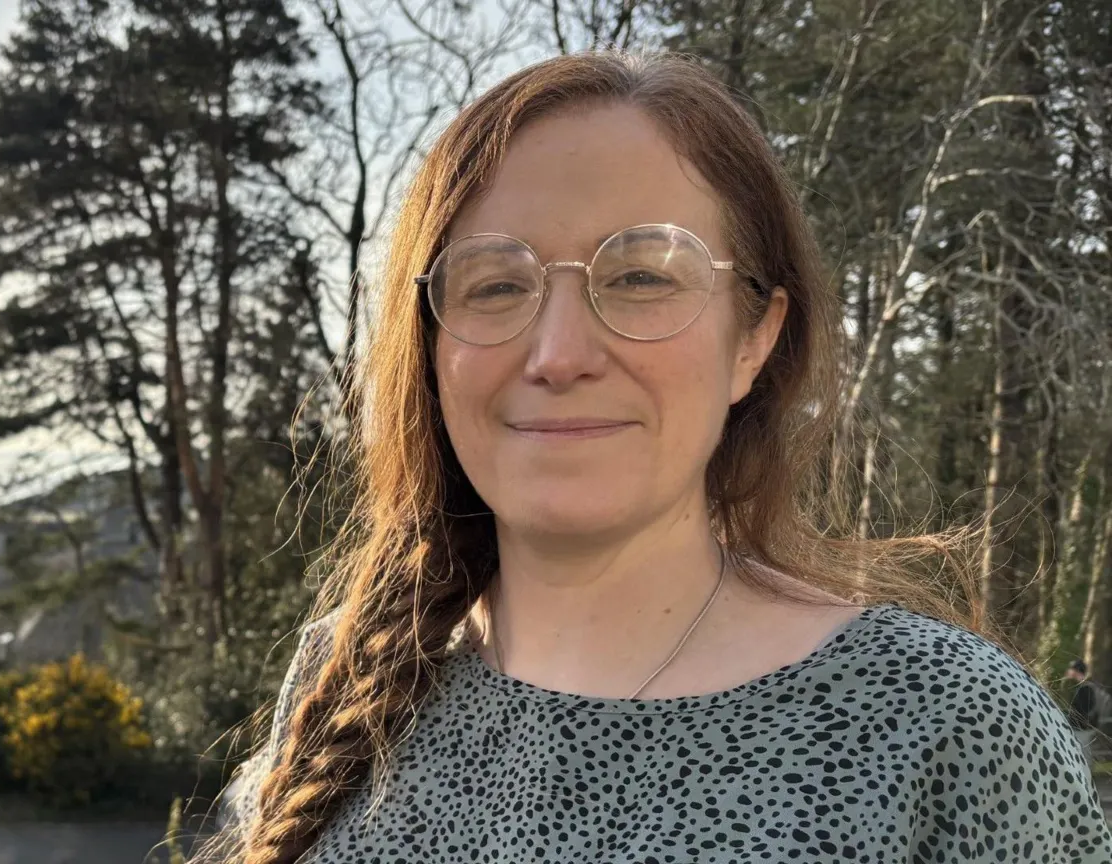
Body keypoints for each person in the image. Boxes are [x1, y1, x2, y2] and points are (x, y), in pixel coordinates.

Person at [204, 51, 1112, 863]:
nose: (557, 353)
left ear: (754, 336)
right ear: (432, 343)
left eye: (640, 277)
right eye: (496, 284)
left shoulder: (943, 722)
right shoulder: (353, 677)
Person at [1068, 659, 1105, 784]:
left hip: (1082, 729)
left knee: (1084, 755)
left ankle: (1086, 781)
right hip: (1082, 728)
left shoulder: (1085, 688)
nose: (1069, 672)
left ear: (1077, 671)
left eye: (1072, 669)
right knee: (1084, 754)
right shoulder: (1083, 687)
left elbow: (1084, 711)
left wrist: (1074, 722)